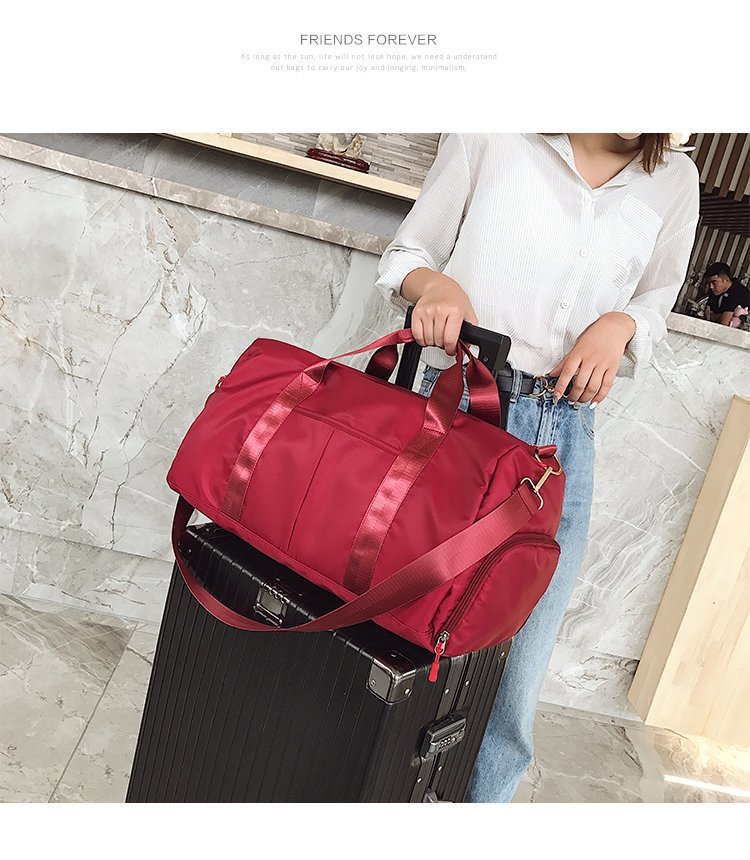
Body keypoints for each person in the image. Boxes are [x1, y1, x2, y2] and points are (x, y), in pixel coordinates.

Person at [374, 133, 700, 803]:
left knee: (515, 676)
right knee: (402, 637)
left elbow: (656, 301)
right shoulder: (494, 127)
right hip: (461, 410)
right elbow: (408, 253)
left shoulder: (674, 179)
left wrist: (622, 324)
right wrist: (435, 285)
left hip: (564, 437)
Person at [703, 262, 750, 328]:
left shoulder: (739, 292)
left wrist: (714, 316)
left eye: (714, 282)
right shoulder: (715, 291)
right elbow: (707, 314)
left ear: (726, 280)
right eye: (709, 283)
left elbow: (725, 322)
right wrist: (720, 316)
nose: (711, 286)